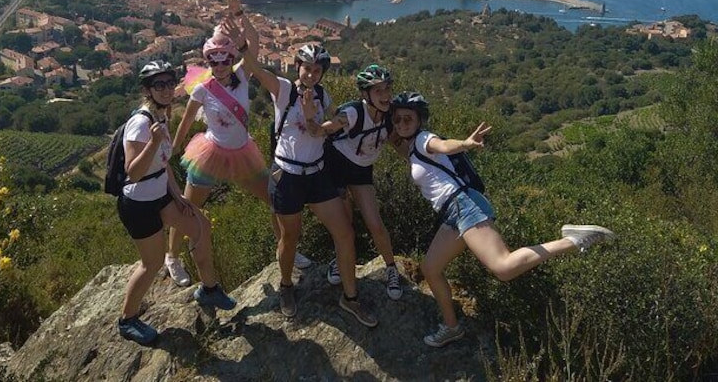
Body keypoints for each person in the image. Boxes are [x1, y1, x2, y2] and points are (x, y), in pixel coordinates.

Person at [388, 91, 616, 348]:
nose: (402, 124)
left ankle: (575, 240)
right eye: (397, 120)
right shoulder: (411, 150)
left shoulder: (422, 140)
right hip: (453, 213)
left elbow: (442, 145)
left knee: (503, 268)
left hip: (464, 206)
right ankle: (452, 327)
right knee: (430, 268)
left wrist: (464, 143)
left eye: (407, 119)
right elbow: (393, 140)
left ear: (420, 120)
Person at [165, 0, 312, 287]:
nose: (219, 65)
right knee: (188, 208)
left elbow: (254, 45)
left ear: (231, 57)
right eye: (213, 60)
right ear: (207, 60)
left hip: (242, 151)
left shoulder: (242, 75)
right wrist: (174, 147)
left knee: (273, 200)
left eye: (224, 59)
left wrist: (238, 15)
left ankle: (286, 250)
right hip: (210, 151)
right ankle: (172, 256)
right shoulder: (203, 87)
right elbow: (188, 119)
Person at [234, 30, 377, 326]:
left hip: (316, 173)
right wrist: (242, 40)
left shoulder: (325, 96)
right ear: (297, 67)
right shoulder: (284, 90)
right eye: (306, 68)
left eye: (316, 69)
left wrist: (314, 115)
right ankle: (286, 286)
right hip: (287, 175)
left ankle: (350, 297)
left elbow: (319, 131)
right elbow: (257, 69)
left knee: (345, 232)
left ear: (322, 72)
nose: (311, 74)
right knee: (290, 236)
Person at [117, 60, 236, 347]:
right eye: (159, 85)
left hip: (160, 195)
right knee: (153, 263)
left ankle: (209, 289)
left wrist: (177, 195)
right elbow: (132, 171)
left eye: (170, 83)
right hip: (138, 203)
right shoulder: (140, 123)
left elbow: (164, 164)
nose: (167, 89)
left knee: (201, 227)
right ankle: (127, 320)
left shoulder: (162, 115)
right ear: (148, 90)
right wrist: (152, 144)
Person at [320, 64, 403, 301]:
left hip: (362, 171)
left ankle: (391, 268)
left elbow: (398, 142)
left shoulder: (390, 116)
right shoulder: (354, 113)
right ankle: (340, 261)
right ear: (366, 95)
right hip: (336, 168)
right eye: (378, 91)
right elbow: (329, 127)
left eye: (387, 89)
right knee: (344, 226)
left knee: (375, 223)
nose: (385, 95)